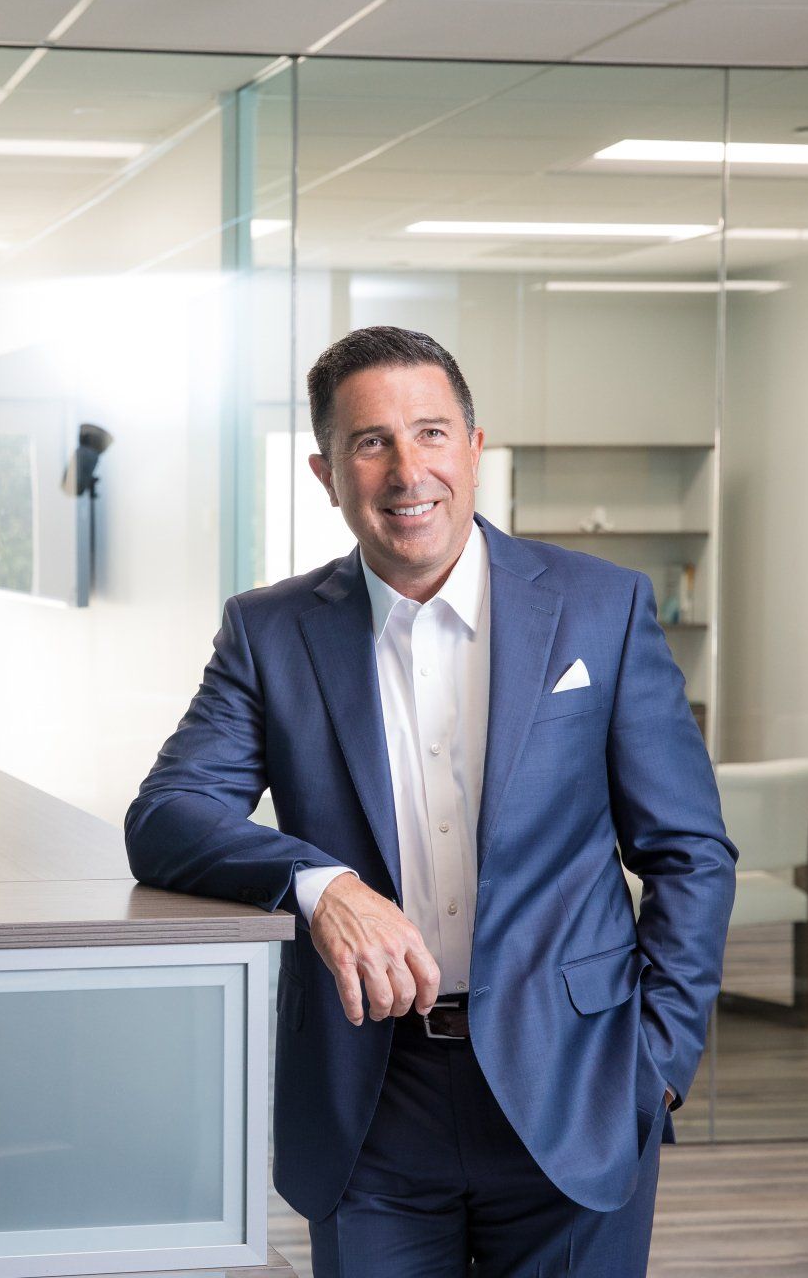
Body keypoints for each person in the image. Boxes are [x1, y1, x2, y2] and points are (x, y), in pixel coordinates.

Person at [125, 327, 735, 1276]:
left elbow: (690, 852)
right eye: (372, 443)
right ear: (327, 474)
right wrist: (320, 886)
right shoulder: (270, 632)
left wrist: (655, 1067)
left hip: (576, 1083)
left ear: (476, 447)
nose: (409, 470)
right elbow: (167, 816)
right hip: (371, 1097)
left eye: (432, 433)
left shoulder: (601, 608)